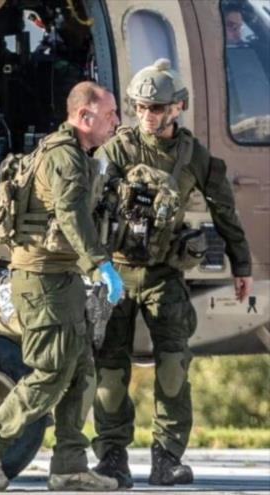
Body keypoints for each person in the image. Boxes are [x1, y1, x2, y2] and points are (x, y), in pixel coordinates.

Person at [91, 59, 253, 488]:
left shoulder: (193, 157)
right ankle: (111, 458)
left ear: (177, 107)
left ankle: (167, 458)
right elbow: (85, 205)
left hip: (164, 275)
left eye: (157, 108)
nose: (148, 115)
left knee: (173, 367)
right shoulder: (117, 150)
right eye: (142, 106)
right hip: (117, 275)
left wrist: (242, 265)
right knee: (108, 370)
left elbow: (225, 212)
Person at [0, 81, 124, 491]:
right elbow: (70, 213)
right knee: (51, 371)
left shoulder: (71, 152)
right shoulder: (64, 158)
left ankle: (68, 465)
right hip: (44, 280)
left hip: (60, 277)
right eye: (109, 114)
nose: (117, 121)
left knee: (81, 370)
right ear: (84, 116)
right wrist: (99, 263)